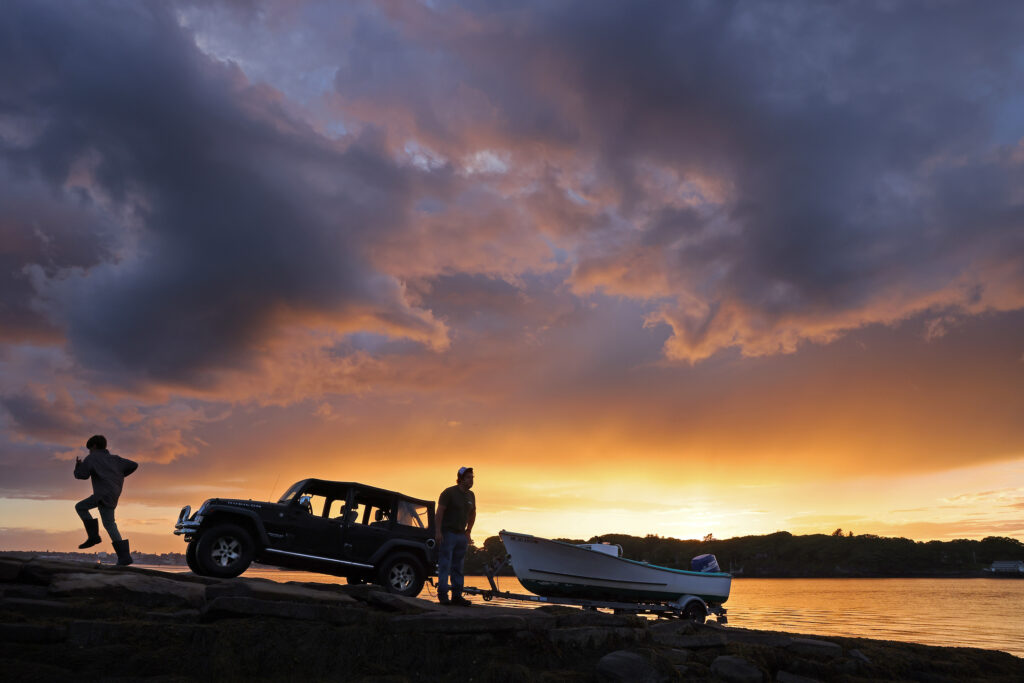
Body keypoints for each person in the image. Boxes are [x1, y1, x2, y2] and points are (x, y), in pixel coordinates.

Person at [74, 435, 138, 566]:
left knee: (80, 507)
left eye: (90, 449)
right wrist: (118, 475)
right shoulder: (116, 459)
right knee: (109, 523)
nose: (89, 452)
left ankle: (93, 537)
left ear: (94, 446)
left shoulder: (92, 458)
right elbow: (134, 465)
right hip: (114, 493)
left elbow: (82, 475)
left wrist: (78, 466)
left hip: (102, 494)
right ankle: (124, 557)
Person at [435, 466, 475, 606]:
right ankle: (443, 596)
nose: (472, 480)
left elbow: (473, 513)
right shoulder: (449, 492)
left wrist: (468, 531)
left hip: (461, 536)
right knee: (445, 565)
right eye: (469, 477)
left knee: (458, 567)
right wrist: (438, 532)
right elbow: (439, 512)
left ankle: (457, 596)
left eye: (472, 477)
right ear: (461, 478)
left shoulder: (471, 495)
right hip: (448, 534)